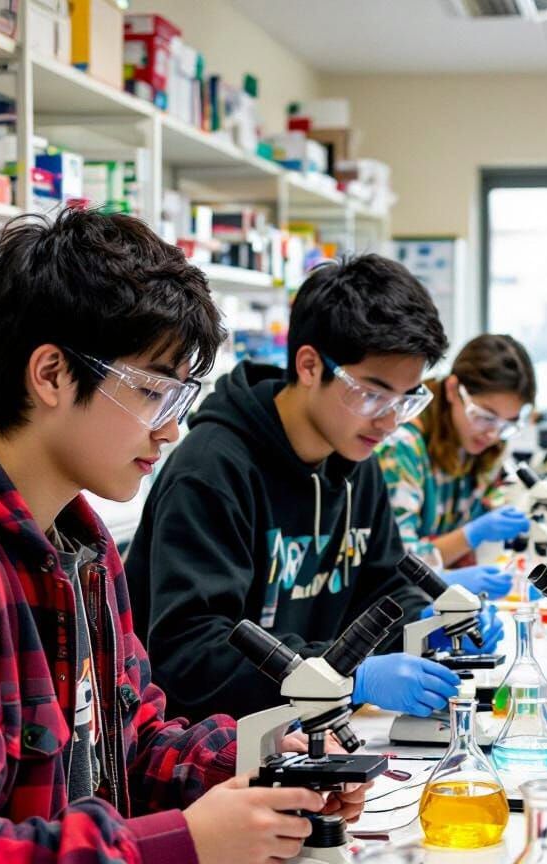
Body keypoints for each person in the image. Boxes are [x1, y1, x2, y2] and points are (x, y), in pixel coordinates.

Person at [0, 210, 366, 864]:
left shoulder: (81, 543)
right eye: (151, 391)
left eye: (183, 395)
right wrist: (183, 847)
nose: (171, 428)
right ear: (51, 374)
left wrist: (267, 762)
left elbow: (130, 744)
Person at [126, 255, 501, 725]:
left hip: (311, 729)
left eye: (406, 400)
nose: (388, 422)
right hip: (210, 751)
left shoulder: (354, 457)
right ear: (308, 365)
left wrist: (431, 620)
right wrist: (347, 675)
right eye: (372, 394)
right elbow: (191, 656)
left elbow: (383, 586)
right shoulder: (212, 470)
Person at [376, 333, 537, 600]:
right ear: (453, 390)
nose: (492, 434)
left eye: (506, 424)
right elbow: (399, 562)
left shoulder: (484, 449)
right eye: (485, 416)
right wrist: (470, 535)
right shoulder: (402, 447)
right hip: (400, 604)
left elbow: (495, 505)